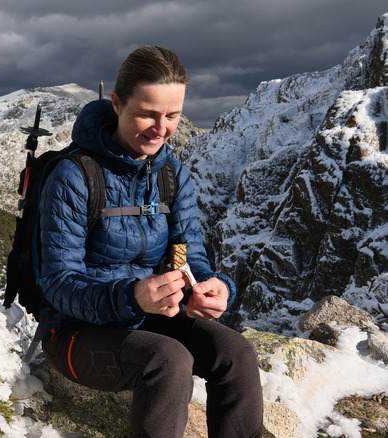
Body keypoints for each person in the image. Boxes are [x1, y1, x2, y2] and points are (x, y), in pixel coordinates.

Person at [38, 46, 264, 437]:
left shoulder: (172, 176)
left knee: (238, 353)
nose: (161, 128)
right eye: (148, 113)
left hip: (151, 317)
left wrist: (213, 287)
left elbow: (188, 253)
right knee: (169, 360)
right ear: (117, 103)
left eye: (173, 116)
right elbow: (58, 284)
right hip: (75, 333)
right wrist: (131, 297)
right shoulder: (75, 177)